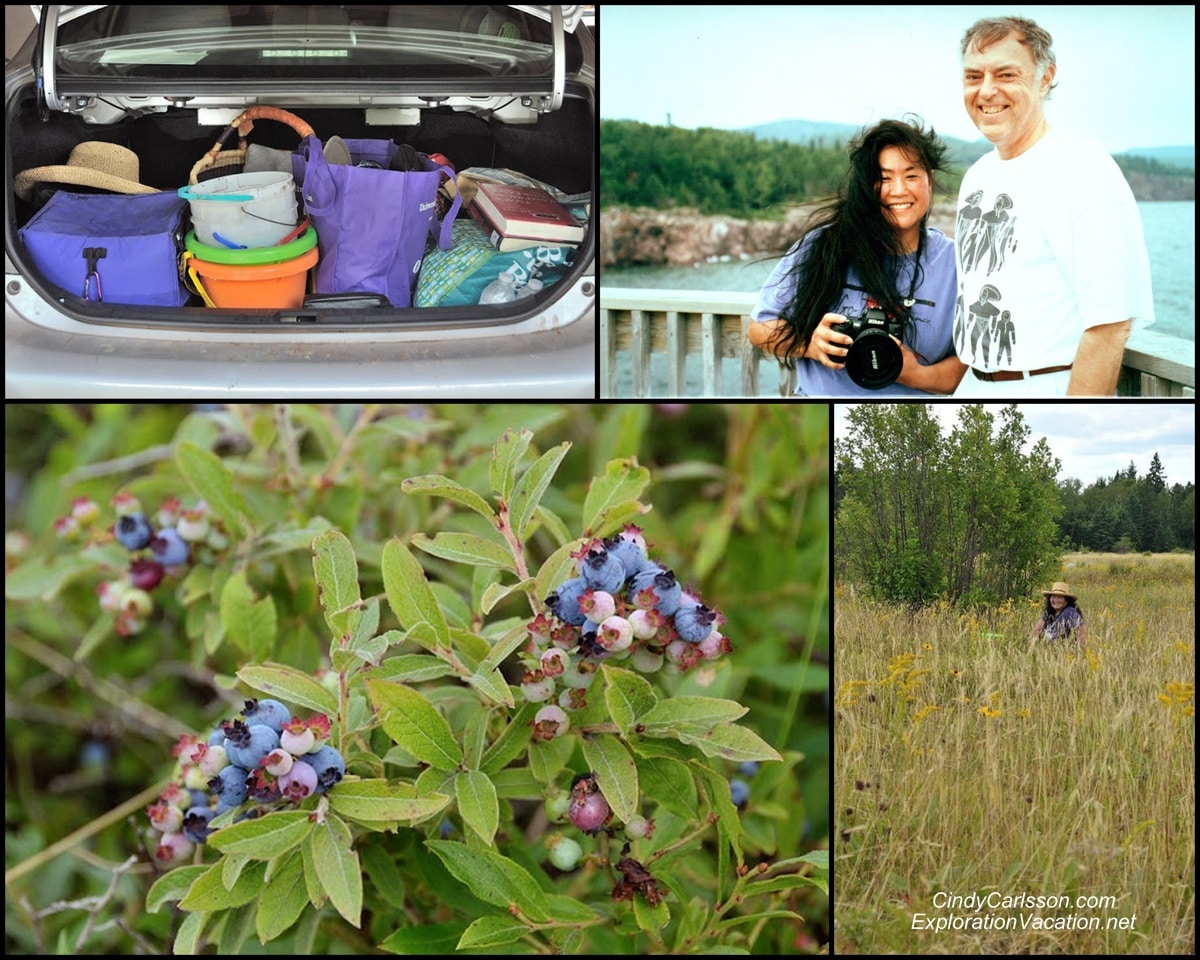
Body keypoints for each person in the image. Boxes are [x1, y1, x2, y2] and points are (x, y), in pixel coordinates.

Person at [952, 16, 1154, 397]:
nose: (987, 91)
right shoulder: (977, 176)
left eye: (1006, 75)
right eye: (974, 76)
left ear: (1045, 78)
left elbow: (1110, 327)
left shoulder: (1084, 169)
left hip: (1044, 389)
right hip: (970, 389)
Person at [745, 118, 966, 397]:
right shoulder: (824, 245)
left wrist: (915, 375)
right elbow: (758, 329)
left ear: (929, 180)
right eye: (884, 178)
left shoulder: (956, 264)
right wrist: (811, 344)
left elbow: (969, 365)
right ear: (866, 186)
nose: (898, 190)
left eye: (911, 175)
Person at [1029, 581, 1087, 647]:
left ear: (1066, 600)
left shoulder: (1070, 613)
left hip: (1064, 652)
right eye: (1053, 597)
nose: (1056, 600)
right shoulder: (1049, 612)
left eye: (1059, 597)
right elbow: (1036, 631)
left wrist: (1080, 654)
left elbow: (1081, 634)